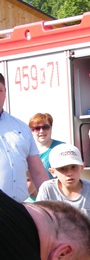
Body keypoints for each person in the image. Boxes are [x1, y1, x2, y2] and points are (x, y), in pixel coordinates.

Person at [0, 73, 48, 202]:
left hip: (19, 206)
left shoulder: (21, 128)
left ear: (5, 93)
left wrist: (51, 204)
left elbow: (37, 172)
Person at [28, 113, 64, 177]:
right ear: (31, 131)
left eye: (45, 127)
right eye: (37, 128)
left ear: (51, 128)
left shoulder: (61, 147)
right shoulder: (26, 150)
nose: (41, 131)